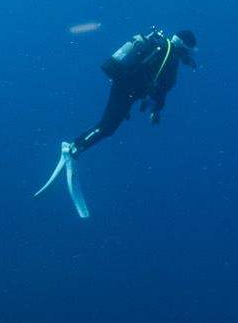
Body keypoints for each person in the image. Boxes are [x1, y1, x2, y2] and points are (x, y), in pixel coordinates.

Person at [36, 28, 197, 218]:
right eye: (188, 52)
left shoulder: (161, 48)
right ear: (183, 48)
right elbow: (160, 90)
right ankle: (73, 151)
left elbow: (153, 83)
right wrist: (156, 110)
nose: (188, 56)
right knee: (107, 128)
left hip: (123, 87)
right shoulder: (169, 60)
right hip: (126, 91)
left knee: (104, 125)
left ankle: (74, 146)